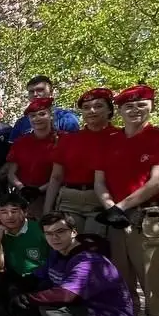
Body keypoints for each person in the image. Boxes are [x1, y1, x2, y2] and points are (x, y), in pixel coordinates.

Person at [93, 84, 159, 316]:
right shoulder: (111, 141)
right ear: (120, 110)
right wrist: (110, 207)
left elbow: (158, 181)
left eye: (141, 104)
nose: (134, 109)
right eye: (128, 105)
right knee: (122, 281)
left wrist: (122, 206)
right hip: (116, 219)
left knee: (154, 284)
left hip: (148, 219)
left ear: (152, 106)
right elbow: (99, 181)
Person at [23, 211, 136, 316]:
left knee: (48, 306)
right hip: (91, 313)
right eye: (49, 233)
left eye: (60, 232)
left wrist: (28, 299)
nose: (54, 238)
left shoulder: (88, 260)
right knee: (42, 289)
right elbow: (40, 276)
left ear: (74, 232)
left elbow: (66, 295)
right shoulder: (58, 253)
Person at [46, 88, 120, 235]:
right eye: (86, 108)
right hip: (69, 201)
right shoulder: (68, 140)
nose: (92, 111)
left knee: (95, 248)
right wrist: (47, 210)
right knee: (70, 246)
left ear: (109, 110)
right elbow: (56, 177)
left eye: (98, 106)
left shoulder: (120, 138)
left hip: (101, 201)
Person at [0, 192, 49, 316]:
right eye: (4, 212)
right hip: (16, 276)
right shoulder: (0, 232)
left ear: (25, 212)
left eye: (14, 211)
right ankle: (11, 314)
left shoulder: (40, 230)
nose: (9, 216)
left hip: (41, 277)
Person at [4, 97, 59, 217]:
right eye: (33, 116)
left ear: (50, 115)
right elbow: (11, 173)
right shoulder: (20, 143)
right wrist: (22, 187)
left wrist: (39, 190)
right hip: (23, 196)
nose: (37, 119)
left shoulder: (61, 141)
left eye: (42, 114)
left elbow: (60, 175)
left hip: (51, 195)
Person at [9, 76, 80, 141]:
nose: (35, 94)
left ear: (51, 93)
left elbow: (74, 147)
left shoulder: (66, 118)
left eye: (40, 90)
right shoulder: (21, 123)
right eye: (31, 91)